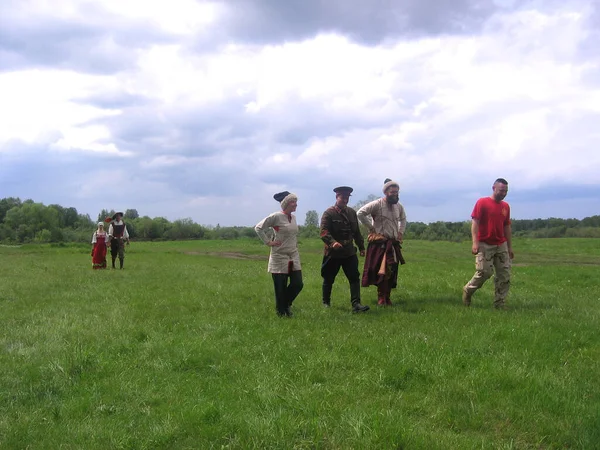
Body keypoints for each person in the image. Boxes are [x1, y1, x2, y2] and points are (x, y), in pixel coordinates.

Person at [462, 178, 514, 309]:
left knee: (504, 275)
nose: (503, 193)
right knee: (484, 272)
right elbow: (475, 223)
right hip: (485, 243)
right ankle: (468, 290)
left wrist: (509, 247)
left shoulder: (505, 206)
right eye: (501, 190)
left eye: (506, 191)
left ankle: (499, 303)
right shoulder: (482, 202)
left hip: (501, 244)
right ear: (494, 188)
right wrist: (475, 243)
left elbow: (507, 226)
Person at [320, 186, 370, 313]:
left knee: (354, 278)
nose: (345, 200)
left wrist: (361, 247)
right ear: (337, 197)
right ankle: (326, 302)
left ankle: (356, 304)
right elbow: (324, 232)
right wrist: (333, 243)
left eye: (347, 198)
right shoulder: (329, 213)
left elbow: (356, 232)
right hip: (334, 253)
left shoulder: (352, 213)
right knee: (329, 278)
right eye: (343, 197)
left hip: (349, 251)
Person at [357, 179, 407, 306]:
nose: (395, 194)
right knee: (381, 271)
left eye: (396, 192)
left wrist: (400, 233)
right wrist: (372, 229)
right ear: (386, 192)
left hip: (393, 244)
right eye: (392, 192)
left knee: (392, 270)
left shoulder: (399, 206)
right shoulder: (377, 204)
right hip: (380, 244)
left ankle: (387, 297)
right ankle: (381, 297)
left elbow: (403, 219)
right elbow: (360, 213)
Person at [255, 191, 304, 317]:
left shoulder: (293, 217)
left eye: (296, 202)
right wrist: (268, 242)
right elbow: (258, 227)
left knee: (297, 284)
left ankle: (284, 305)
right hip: (279, 255)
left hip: (293, 254)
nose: (296, 205)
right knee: (280, 286)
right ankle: (282, 312)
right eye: (293, 202)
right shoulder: (276, 216)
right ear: (286, 203)